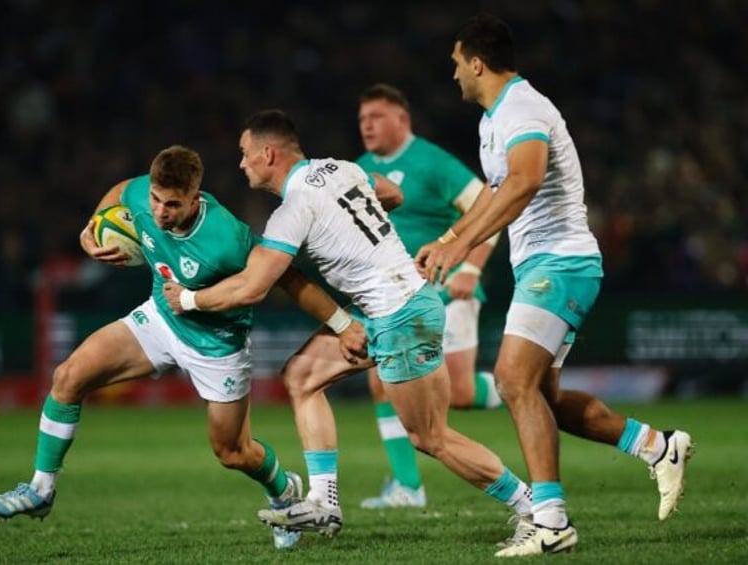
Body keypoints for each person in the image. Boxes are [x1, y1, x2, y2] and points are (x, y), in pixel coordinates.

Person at [161, 110, 534, 545]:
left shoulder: (293, 209)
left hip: (401, 316)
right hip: (387, 307)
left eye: (245, 155)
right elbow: (390, 192)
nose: (241, 164)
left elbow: (252, 288)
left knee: (430, 437)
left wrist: (188, 300)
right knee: (302, 376)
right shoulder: (345, 168)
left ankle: (533, 507)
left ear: (268, 154)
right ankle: (324, 502)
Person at [0, 145, 367, 551]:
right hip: (161, 321)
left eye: (172, 204)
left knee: (233, 452)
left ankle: (283, 490)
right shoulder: (141, 197)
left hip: (218, 347)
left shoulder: (227, 238)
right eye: (155, 200)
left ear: (195, 197)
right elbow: (120, 191)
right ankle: (41, 490)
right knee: (68, 377)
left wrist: (343, 326)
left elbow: (291, 280)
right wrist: (90, 226)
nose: (160, 212)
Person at [415, 14, 693, 556]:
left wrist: (460, 247)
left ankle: (550, 519)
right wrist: (452, 237)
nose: (453, 76)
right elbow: (498, 195)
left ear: (476, 62)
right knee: (545, 399)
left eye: (455, 64)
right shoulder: (492, 120)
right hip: (541, 265)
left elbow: (525, 180)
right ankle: (659, 448)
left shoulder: (522, 107)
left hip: (561, 263)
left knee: (511, 380)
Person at [355, 83, 503, 510]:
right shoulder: (360, 170)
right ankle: (408, 487)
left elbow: (489, 207)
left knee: (457, 393)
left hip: (447, 287)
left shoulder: (432, 162)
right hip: (392, 300)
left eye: (376, 117)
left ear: (402, 119)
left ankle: (519, 386)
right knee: (382, 384)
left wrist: (471, 268)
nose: (367, 125)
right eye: (363, 119)